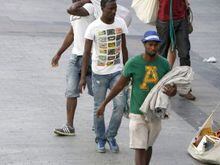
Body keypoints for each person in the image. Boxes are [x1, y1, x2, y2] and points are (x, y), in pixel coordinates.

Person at [96, 31, 177, 165]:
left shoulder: (164, 64)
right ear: (144, 44)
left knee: (148, 145)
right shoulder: (133, 63)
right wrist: (104, 104)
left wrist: (172, 92)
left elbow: (173, 88)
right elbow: (119, 85)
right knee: (139, 147)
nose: (153, 48)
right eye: (150, 44)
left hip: (155, 113)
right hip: (137, 112)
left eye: (156, 45)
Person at [79, 0, 129, 153]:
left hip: (117, 73)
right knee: (98, 107)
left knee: (120, 106)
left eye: (115, 8)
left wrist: (127, 71)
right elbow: (86, 53)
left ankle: (111, 136)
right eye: (110, 8)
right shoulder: (93, 27)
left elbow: (124, 48)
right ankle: (100, 138)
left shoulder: (121, 23)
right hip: (99, 74)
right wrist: (82, 77)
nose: (114, 11)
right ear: (102, 9)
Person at [52, 0, 95, 136]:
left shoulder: (89, 7)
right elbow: (72, 33)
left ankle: (98, 124)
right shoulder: (74, 11)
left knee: (97, 92)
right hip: (75, 57)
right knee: (71, 91)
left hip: (92, 57)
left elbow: (71, 9)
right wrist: (59, 53)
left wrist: (83, 1)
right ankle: (69, 126)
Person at [156, 0, 195, 100]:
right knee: (161, 55)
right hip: (164, 19)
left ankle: (185, 89)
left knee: (185, 53)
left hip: (181, 18)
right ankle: (159, 86)